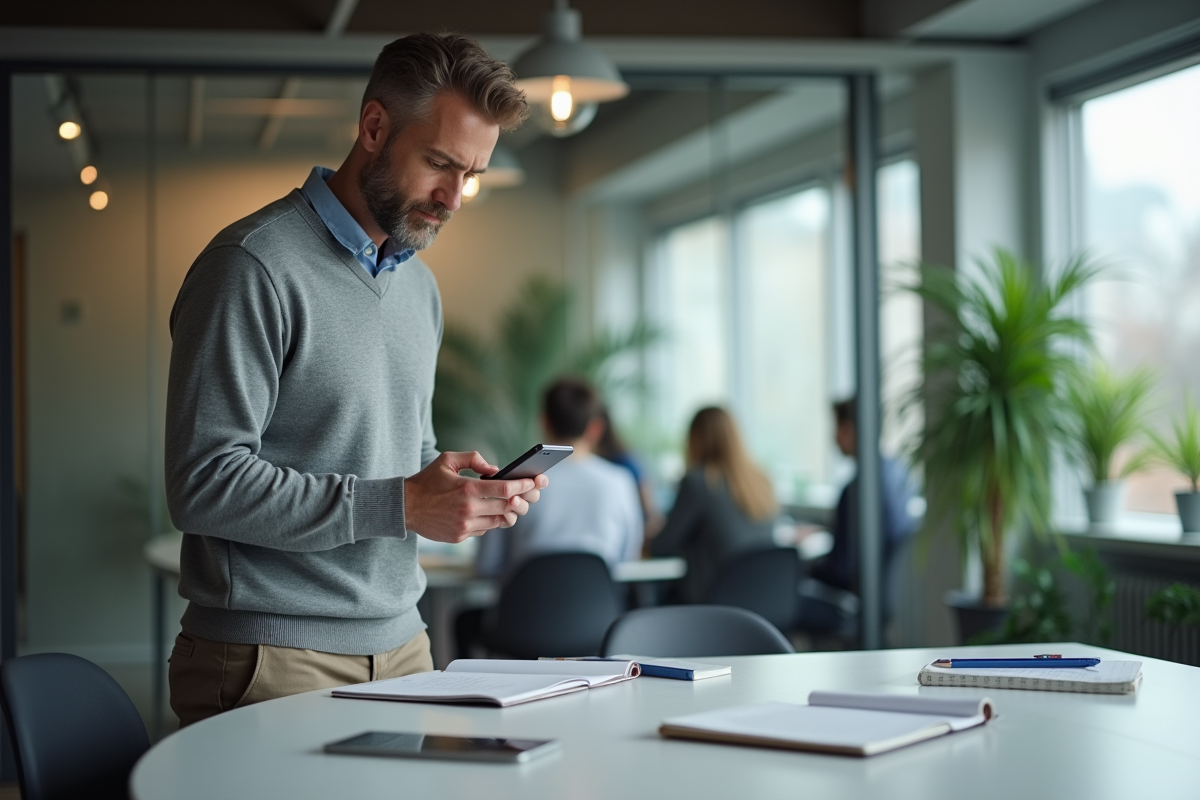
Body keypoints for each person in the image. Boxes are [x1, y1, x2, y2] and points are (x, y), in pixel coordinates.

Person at [164, 34, 547, 727]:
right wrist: (400, 503)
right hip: (271, 656)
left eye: (473, 175)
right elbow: (202, 483)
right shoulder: (251, 266)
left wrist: (448, 486)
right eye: (440, 164)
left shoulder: (419, 288)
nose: (455, 197)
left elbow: (398, 454)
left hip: (406, 644)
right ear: (374, 127)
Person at [475, 378, 643, 580]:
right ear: (595, 428)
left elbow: (487, 564)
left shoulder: (513, 482)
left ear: (545, 422)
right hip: (600, 608)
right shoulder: (621, 482)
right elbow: (627, 558)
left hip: (524, 608)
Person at [649, 406, 778, 602]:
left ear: (695, 439)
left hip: (712, 608)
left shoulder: (698, 482)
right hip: (762, 603)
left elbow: (661, 547)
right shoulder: (762, 481)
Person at [808, 397, 918, 595]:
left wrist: (806, 569)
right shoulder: (897, 472)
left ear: (846, 430)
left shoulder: (857, 491)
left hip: (855, 599)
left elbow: (841, 570)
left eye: (836, 429)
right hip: (882, 592)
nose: (833, 438)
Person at [594, 406, 663, 535]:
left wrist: (650, 520)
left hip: (630, 527)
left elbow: (645, 489)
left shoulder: (624, 460)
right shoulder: (616, 459)